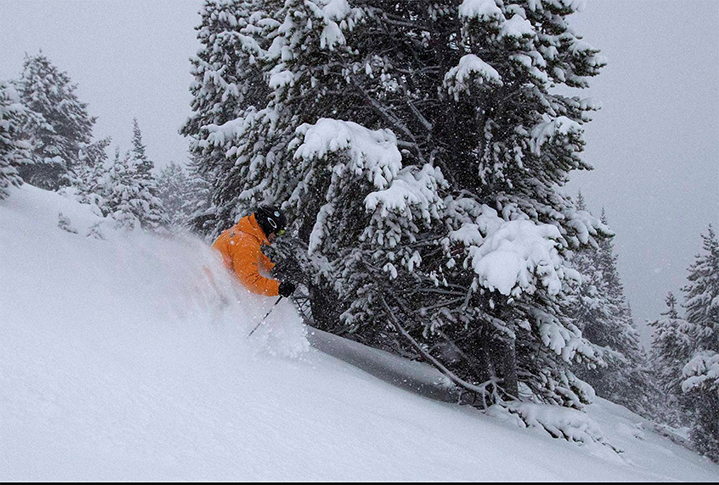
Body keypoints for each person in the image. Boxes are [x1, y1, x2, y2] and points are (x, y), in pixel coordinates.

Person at [212, 205, 296, 298]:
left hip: (215, 284)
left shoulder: (242, 232)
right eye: (278, 232)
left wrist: (273, 269)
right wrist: (278, 288)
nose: (275, 236)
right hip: (214, 292)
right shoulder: (246, 243)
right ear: (269, 226)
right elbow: (251, 281)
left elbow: (256, 257)